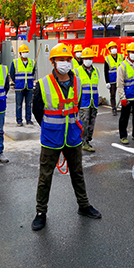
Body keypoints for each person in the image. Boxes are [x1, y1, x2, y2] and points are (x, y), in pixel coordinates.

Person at [31, 43, 101, 231]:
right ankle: (40, 212)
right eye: (61, 60)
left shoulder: (77, 82)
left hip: (72, 137)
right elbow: (37, 110)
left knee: (77, 173)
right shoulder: (43, 84)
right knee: (45, 177)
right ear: (53, 62)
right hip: (51, 138)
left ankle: (84, 205)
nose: (65, 63)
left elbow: (76, 106)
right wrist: (48, 126)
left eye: (68, 59)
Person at [75, 47, 100, 152]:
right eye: (86, 58)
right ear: (82, 59)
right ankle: (83, 142)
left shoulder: (96, 71)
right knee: (83, 123)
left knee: (92, 122)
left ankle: (88, 140)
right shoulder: (77, 71)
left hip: (93, 102)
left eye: (90, 58)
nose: (88, 60)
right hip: (83, 102)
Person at [10, 44, 35, 127]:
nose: (25, 53)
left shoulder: (32, 62)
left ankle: (28, 119)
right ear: (20, 53)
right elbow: (12, 74)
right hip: (19, 87)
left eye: (26, 52)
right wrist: (16, 81)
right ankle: (19, 120)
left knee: (28, 104)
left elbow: (33, 73)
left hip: (29, 86)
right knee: (19, 105)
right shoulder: (15, 62)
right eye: (24, 52)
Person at [104, 41, 123, 116]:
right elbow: (105, 71)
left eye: (115, 47)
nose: (114, 49)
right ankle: (114, 108)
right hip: (112, 80)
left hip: (120, 79)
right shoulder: (107, 59)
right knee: (112, 95)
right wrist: (107, 82)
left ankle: (124, 106)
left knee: (123, 93)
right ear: (109, 50)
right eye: (112, 48)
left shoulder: (121, 57)